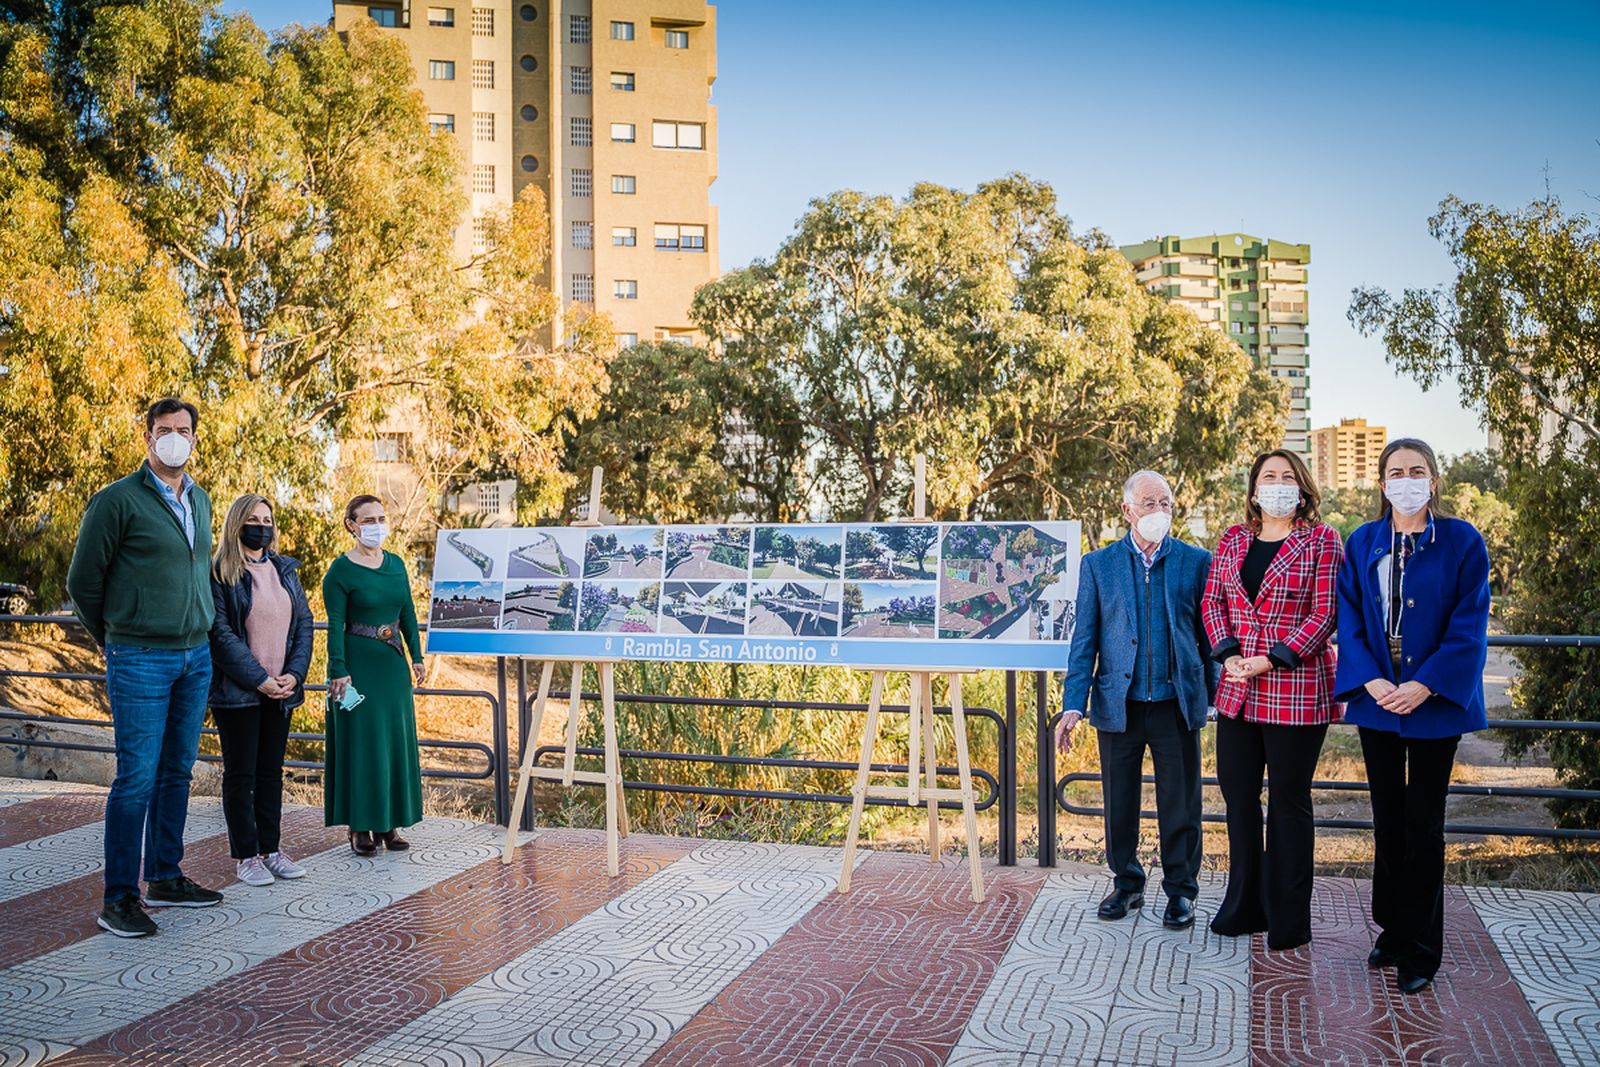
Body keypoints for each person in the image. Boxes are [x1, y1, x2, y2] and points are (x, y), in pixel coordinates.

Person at [1335, 437, 1490, 994]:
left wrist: (1424, 684)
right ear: (1382, 484)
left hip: (1434, 704)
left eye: (1416, 470)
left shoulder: (1462, 542)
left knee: (1424, 824)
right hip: (1378, 701)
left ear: (1433, 480)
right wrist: (1372, 679)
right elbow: (1348, 617)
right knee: (1387, 820)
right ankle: (1393, 930)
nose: (1406, 479)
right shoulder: (1363, 542)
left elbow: (1471, 625)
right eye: (1396, 471)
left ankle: (1422, 950)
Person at [66, 398, 225, 938]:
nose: (174, 438)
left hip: (194, 657)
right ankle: (119, 898)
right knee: (135, 779)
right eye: (164, 430)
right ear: (148, 438)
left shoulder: (200, 500)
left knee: (177, 772)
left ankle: (164, 875)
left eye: (183, 430)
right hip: (139, 658)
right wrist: (118, 637)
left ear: (194, 439)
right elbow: (83, 583)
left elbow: (198, 573)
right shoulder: (116, 501)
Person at [1057, 470, 1219, 930]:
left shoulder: (1195, 561)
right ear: (1127, 510)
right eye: (1149, 503)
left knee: (1181, 803)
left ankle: (1181, 891)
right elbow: (1083, 640)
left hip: (1176, 703)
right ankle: (1126, 883)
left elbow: (1209, 636)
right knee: (1120, 801)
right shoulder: (1099, 565)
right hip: (1118, 703)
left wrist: (1210, 693)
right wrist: (1074, 703)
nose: (1159, 512)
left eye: (1166, 503)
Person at [1201, 449, 1344, 950]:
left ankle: (1288, 920)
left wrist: (1271, 658)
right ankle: (1243, 906)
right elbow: (1212, 602)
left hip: (1296, 689)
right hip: (1237, 689)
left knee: (1288, 802)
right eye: (1269, 476)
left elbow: (1326, 614)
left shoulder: (1322, 540)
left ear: (1302, 488)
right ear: (1255, 489)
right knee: (1238, 797)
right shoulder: (1233, 539)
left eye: (1287, 477)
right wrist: (1229, 654)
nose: (1278, 483)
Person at [208, 494, 315, 887]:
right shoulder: (220, 572)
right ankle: (246, 856)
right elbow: (219, 633)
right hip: (240, 692)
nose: (262, 525)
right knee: (241, 774)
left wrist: (295, 674)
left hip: (282, 689)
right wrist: (259, 678)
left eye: (267, 519)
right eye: (253, 518)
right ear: (237, 524)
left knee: (271, 773)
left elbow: (304, 624)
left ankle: (272, 850)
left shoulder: (284, 569)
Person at [323, 494, 425, 855]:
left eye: (381, 518)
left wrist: (417, 656)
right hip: (356, 668)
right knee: (363, 744)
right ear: (351, 525)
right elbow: (335, 624)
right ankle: (360, 826)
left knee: (393, 743)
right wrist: (338, 669)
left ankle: (390, 824)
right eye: (368, 520)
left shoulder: (396, 565)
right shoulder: (340, 571)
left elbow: (408, 613)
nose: (377, 525)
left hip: (392, 668)